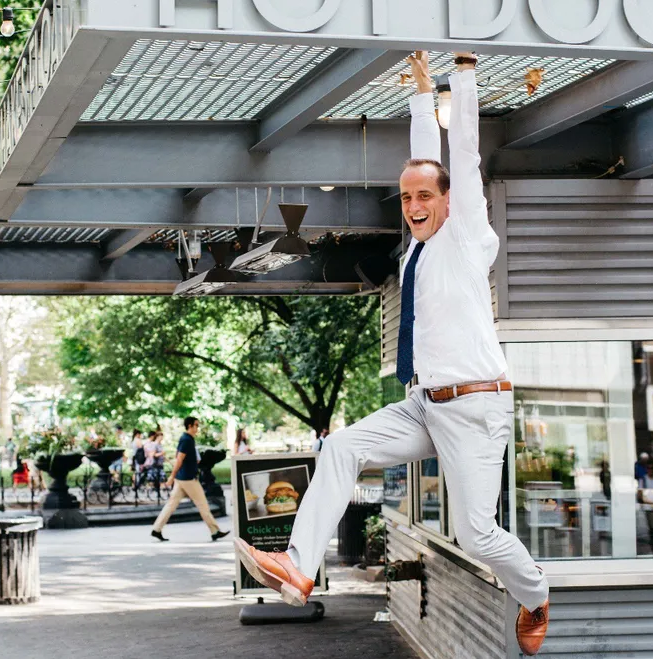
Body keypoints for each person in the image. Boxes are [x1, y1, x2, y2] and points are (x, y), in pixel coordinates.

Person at [233, 51, 550, 656]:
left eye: (424, 196)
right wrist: (421, 92)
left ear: (451, 201)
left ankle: (534, 593)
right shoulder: (418, 250)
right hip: (424, 405)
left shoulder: (466, 235)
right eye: (405, 198)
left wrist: (461, 78)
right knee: (342, 445)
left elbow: (463, 154)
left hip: (476, 408)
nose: (413, 205)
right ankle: (299, 568)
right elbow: (425, 160)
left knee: (478, 536)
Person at [150, 416, 229, 542]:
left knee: (171, 504)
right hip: (188, 479)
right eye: (196, 425)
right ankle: (215, 531)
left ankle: (156, 529)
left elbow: (179, 456)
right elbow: (179, 458)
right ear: (190, 426)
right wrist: (172, 475)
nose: (198, 428)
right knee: (203, 505)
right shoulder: (187, 439)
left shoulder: (187, 439)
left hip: (183, 479)